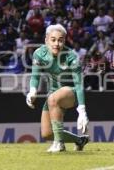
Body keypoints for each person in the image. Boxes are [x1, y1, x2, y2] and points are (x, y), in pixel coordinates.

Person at [26, 24, 89, 153]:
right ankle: (79, 140)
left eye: (60, 40)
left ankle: (59, 144)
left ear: (64, 41)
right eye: (53, 39)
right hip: (53, 95)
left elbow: (78, 84)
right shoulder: (39, 54)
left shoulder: (72, 57)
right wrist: (32, 91)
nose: (57, 43)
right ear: (46, 40)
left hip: (72, 92)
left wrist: (82, 111)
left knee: (53, 99)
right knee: (47, 134)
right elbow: (35, 77)